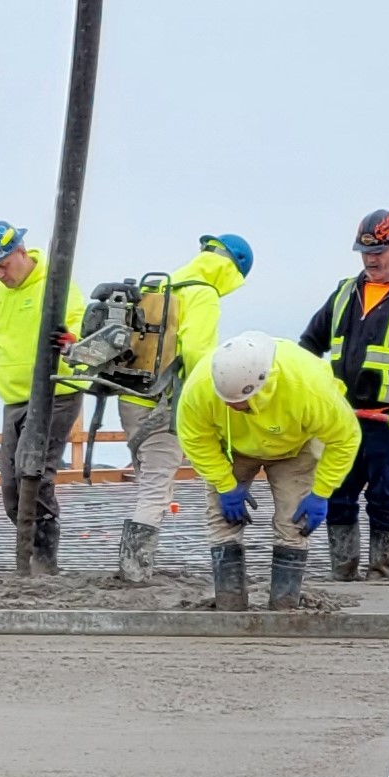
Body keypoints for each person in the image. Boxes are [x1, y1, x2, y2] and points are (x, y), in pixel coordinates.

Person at [299, 209, 389, 581]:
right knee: (337, 490)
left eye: (379, 251)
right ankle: (343, 569)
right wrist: (306, 388)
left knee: (385, 494)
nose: (372, 259)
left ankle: (380, 569)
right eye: (366, 252)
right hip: (343, 417)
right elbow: (309, 345)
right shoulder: (345, 294)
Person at [176, 332, 360, 610]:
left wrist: (322, 492)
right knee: (222, 520)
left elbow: (344, 439)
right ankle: (230, 604)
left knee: (293, 523)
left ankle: (284, 606)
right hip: (234, 446)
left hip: (295, 448)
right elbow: (194, 438)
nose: (227, 405)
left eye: (235, 402)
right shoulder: (202, 386)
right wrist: (224, 484)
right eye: (224, 399)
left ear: (258, 389)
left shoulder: (309, 388)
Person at [115, 233, 253, 583]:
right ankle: (134, 571)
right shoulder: (203, 293)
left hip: (130, 397)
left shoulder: (164, 285)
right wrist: (206, 401)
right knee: (156, 488)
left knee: (149, 479)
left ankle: (133, 564)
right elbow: (195, 354)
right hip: (164, 404)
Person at [0, 220, 85, 574]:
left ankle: (43, 562)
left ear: (21, 251)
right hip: (14, 400)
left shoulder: (57, 285)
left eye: (4, 265)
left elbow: (81, 330)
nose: (0, 275)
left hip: (57, 394)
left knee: (34, 473)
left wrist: (73, 342)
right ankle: (31, 551)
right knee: (11, 486)